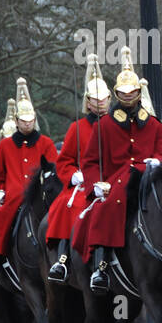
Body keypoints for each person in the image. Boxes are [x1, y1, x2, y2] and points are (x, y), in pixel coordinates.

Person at [74, 50, 162, 293]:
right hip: (116, 181)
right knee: (106, 207)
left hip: (148, 178)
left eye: (132, 93)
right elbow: (90, 161)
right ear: (117, 94)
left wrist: (157, 162)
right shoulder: (104, 126)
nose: (128, 98)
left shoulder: (153, 124)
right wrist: (96, 183)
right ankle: (102, 265)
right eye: (123, 94)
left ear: (139, 93)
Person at [0, 79, 59, 295]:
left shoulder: (46, 143)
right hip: (13, 197)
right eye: (24, 121)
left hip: (39, 195)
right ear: (17, 121)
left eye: (31, 120)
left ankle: (63, 262)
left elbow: (53, 170)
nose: (27, 124)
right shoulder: (5, 146)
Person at [46, 55, 110, 283]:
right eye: (96, 99)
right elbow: (64, 161)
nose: (100, 103)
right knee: (69, 206)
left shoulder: (116, 125)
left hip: (112, 183)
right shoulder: (77, 127)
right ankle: (63, 260)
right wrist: (73, 174)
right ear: (88, 102)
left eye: (104, 99)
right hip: (83, 185)